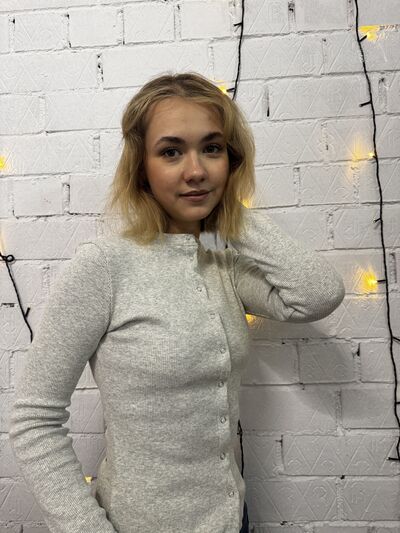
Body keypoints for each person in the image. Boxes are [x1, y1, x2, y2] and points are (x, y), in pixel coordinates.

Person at [8, 71, 346, 533]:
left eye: (212, 148)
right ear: (141, 167)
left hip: (233, 519)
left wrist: (232, 217)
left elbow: (316, 295)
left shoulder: (222, 263)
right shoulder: (104, 267)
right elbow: (34, 419)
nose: (196, 170)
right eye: (171, 152)